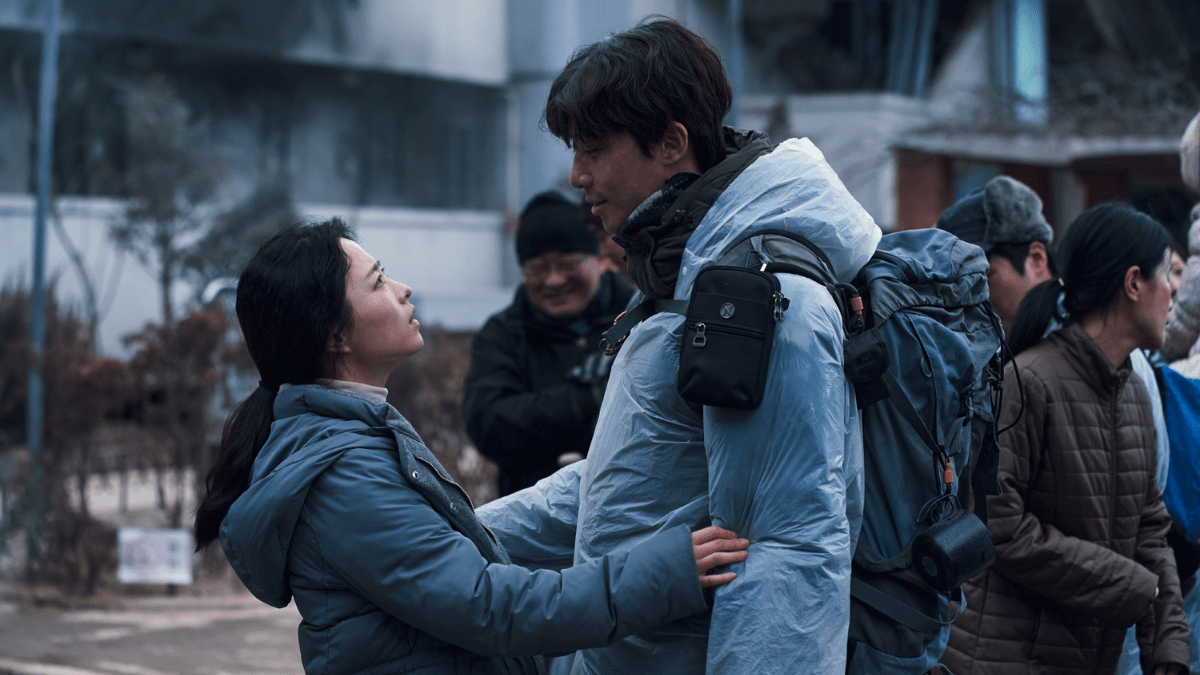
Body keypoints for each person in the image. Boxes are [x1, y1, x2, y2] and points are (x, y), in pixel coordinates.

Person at [478, 18, 881, 674]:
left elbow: (787, 552)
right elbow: (631, 482)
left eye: (594, 149)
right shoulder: (689, 277)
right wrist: (459, 531)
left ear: (671, 143)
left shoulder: (770, 301)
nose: (577, 175)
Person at [192, 220, 750, 675]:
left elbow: (445, 559)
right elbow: (491, 608)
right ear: (335, 335)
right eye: (378, 282)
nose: (403, 289)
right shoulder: (343, 474)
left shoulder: (352, 435)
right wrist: (662, 574)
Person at [941, 203, 1190, 675]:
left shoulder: (1134, 392)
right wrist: (1127, 584)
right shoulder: (1028, 382)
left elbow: (1150, 530)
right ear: (1133, 283)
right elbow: (999, 529)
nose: (1174, 291)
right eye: (1166, 274)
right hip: (1003, 659)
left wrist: (1168, 647)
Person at [463, 191, 633, 495]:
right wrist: (577, 402)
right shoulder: (503, 333)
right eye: (537, 269)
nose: (553, 280)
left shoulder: (636, 315)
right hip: (534, 511)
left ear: (599, 259)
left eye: (567, 265)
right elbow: (488, 425)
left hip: (630, 501)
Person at [936, 175, 1055, 336]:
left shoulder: (1084, 331)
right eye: (959, 286)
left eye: (983, 278)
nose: (972, 299)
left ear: (1036, 259)